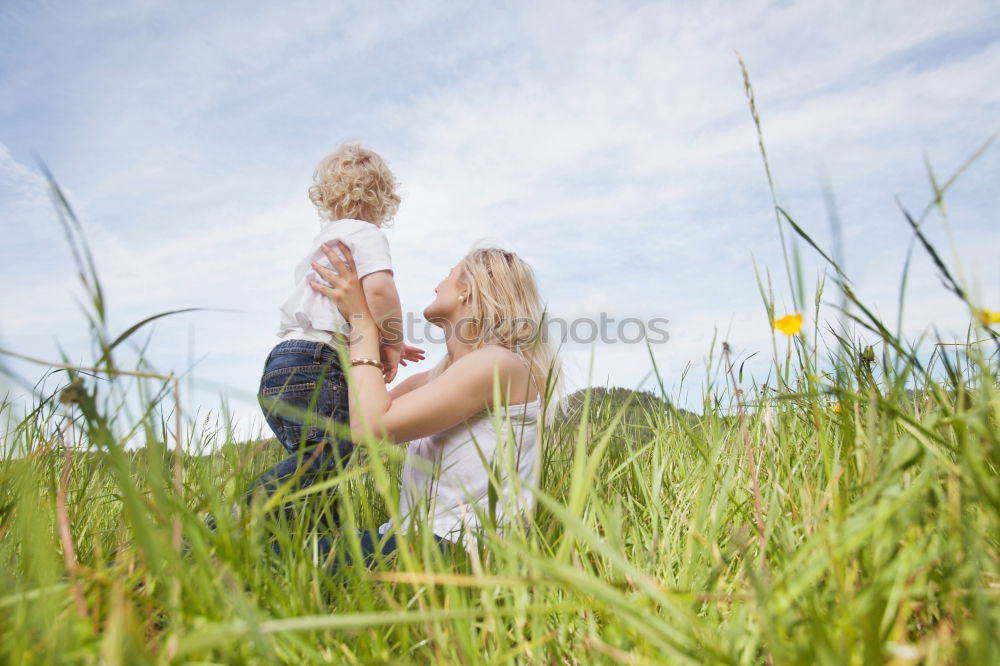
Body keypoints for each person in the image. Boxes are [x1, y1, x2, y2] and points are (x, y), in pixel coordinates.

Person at [306, 241, 560, 568]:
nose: (438, 284)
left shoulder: (498, 364)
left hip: (457, 548)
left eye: (448, 276)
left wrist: (363, 324)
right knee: (285, 541)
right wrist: (379, 348)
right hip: (414, 539)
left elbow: (368, 430)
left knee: (276, 556)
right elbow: (349, 422)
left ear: (465, 292)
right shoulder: (436, 378)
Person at [252, 144, 423, 520]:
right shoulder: (366, 233)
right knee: (325, 459)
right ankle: (233, 519)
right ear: (384, 198)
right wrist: (392, 339)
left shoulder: (321, 244)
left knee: (319, 485)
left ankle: (303, 555)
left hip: (283, 363)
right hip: (317, 364)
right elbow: (378, 290)